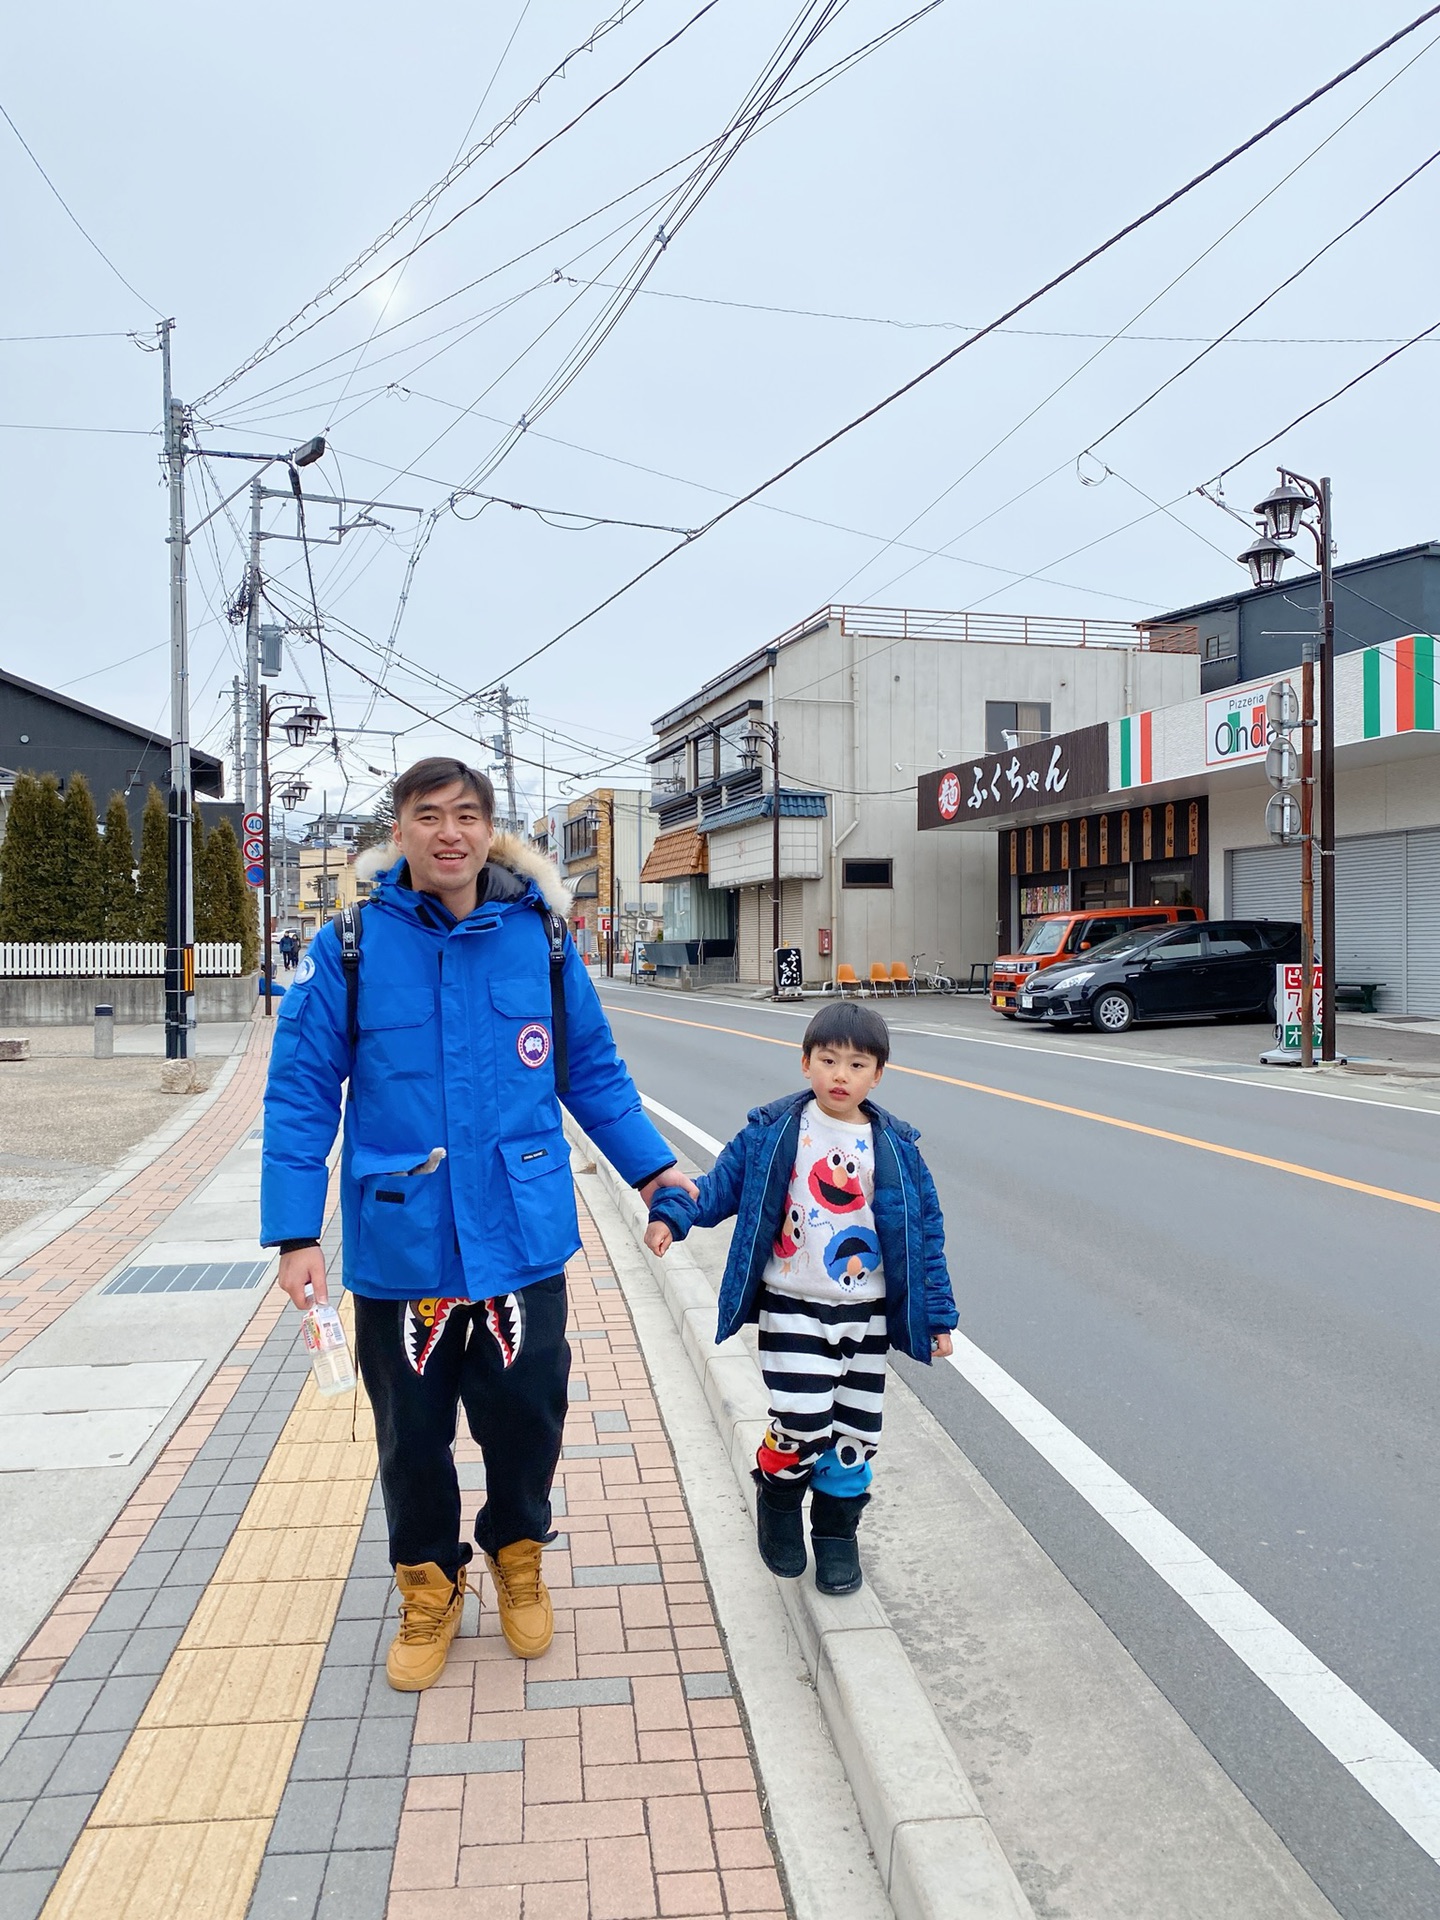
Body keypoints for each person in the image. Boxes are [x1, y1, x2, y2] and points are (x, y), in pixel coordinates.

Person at [261, 758, 693, 1691]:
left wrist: (656, 1174)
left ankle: (517, 1559)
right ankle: (429, 1587)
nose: (448, 833)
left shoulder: (538, 936)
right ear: (402, 830)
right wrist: (297, 1234)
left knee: (528, 1420)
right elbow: (299, 1093)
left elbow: (593, 1072)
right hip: (399, 1244)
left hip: (519, 1236)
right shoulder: (352, 944)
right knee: (410, 1439)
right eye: (428, 816)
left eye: (466, 816)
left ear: (489, 830)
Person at [644, 1001, 956, 1596]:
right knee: (802, 1420)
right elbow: (717, 1186)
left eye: (857, 1064)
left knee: (854, 1435)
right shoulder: (777, 1132)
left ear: (878, 1074)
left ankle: (837, 1536)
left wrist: (936, 1314)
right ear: (806, 1062)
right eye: (829, 1060)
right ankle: (780, 1498)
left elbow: (925, 1238)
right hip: (792, 1304)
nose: (842, 1074)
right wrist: (672, 1215)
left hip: (865, 1315)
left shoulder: (897, 1151)